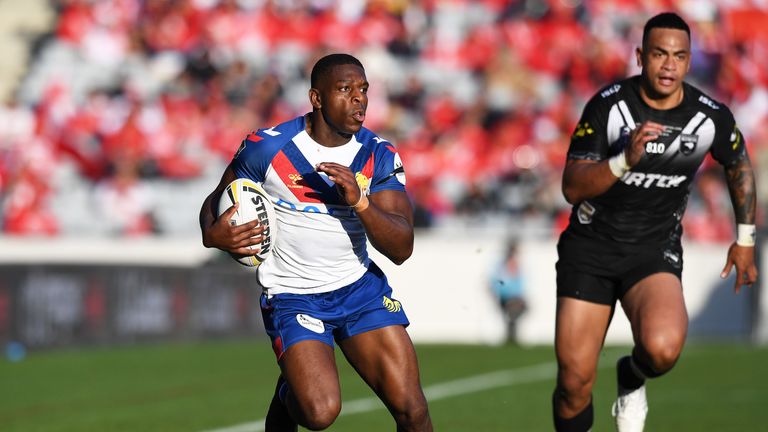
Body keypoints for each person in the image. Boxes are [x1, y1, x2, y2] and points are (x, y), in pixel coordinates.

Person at [199, 53, 432, 432]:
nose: (359, 99)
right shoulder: (267, 147)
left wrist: (360, 201)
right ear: (316, 98)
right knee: (319, 413)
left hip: (359, 291)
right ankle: (289, 390)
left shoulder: (378, 154)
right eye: (345, 89)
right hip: (293, 296)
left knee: (413, 411)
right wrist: (212, 234)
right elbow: (216, 200)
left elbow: (401, 247)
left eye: (363, 90)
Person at [552, 12, 757, 432]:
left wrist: (746, 239)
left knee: (662, 350)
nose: (669, 65)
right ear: (640, 56)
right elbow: (572, 187)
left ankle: (632, 376)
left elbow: (738, 163)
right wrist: (624, 159)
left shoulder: (706, 116)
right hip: (590, 250)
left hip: (652, 252)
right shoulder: (609, 106)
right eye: (659, 54)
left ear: (689, 61)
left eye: (679, 56)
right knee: (574, 383)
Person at [489, 239, 527, 343]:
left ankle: (511, 336)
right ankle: (511, 336)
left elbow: (520, 282)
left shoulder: (516, 264)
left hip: (515, 297)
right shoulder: (503, 264)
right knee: (511, 315)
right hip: (506, 297)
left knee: (514, 315)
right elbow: (498, 281)